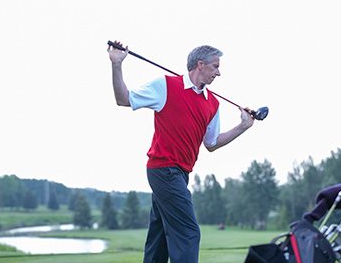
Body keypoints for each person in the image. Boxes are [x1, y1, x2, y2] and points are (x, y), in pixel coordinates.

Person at [108, 41, 254, 263]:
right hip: (163, 169)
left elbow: (212, 143)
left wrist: (242, 127)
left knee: (159, 239)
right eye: (215, 66)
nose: (219, 72)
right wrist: (117, 65)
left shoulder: (212, 103)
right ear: (200, 64)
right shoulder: (165, 86)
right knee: (188, 233)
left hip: (180, 174)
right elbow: (123, 99)